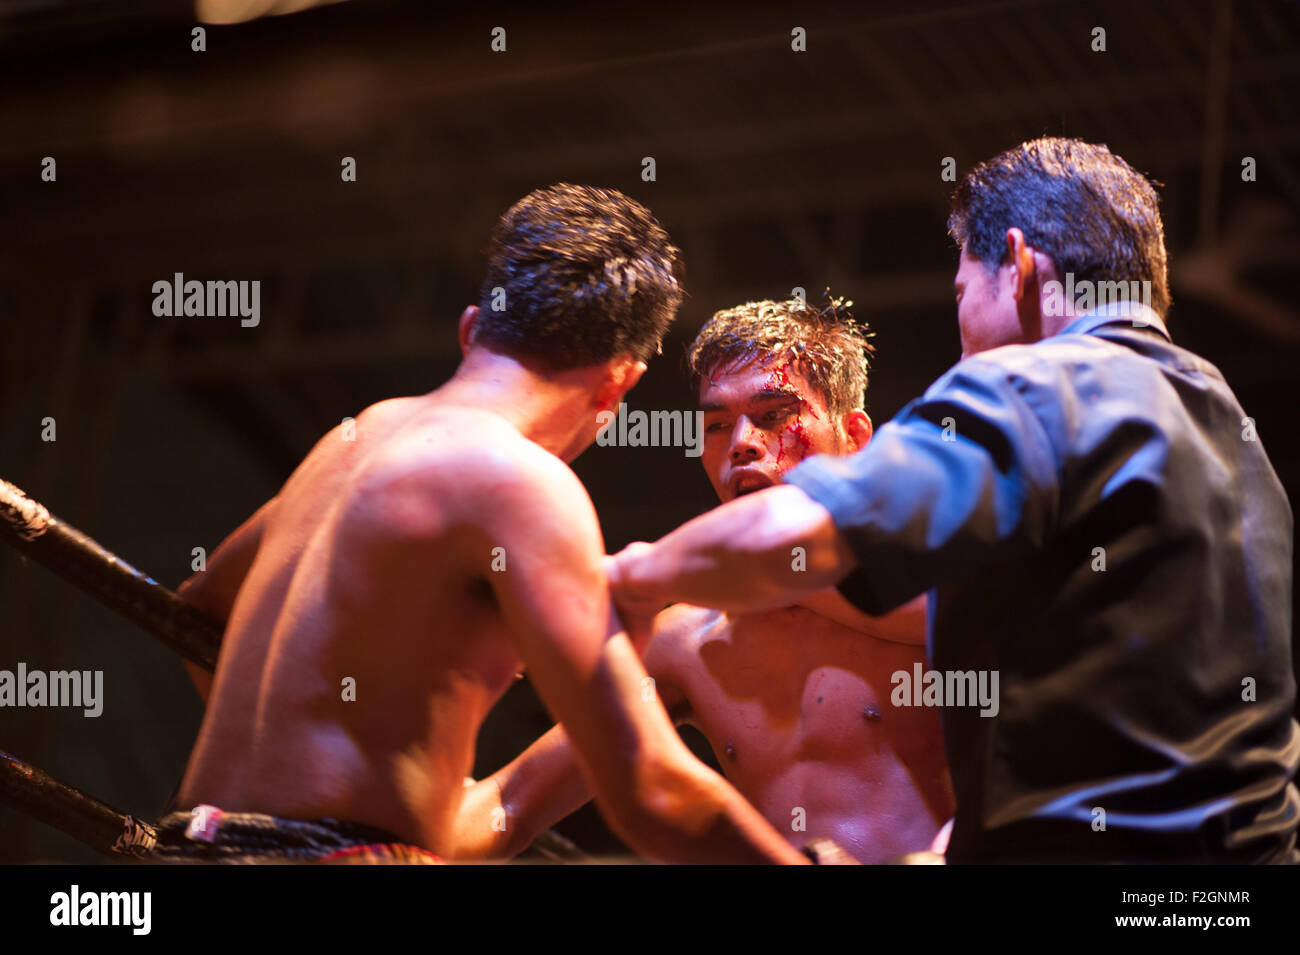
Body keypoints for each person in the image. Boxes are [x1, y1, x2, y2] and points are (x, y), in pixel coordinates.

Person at [604, 138, 1300, 864]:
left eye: (964, 295)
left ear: (1022, 267)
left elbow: (800, 532)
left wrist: (622, 580)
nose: (964, 345)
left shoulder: (1036, 383)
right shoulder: (1227, 421)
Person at [164, 183, 805, 864]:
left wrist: (286, 770)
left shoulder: (354, 436)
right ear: (619, 383)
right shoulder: (524, 484)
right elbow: (649, 788)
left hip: (185, 840)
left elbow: (202, 600)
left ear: (472, 327)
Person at [459, 296, 953, 863]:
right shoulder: (683, 640)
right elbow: (512, 802)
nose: (742, 441)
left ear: (856, 435)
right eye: (718, 425)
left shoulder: (944, 586)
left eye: (773, 415)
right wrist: (371, 829)